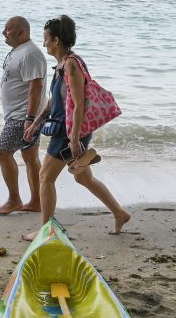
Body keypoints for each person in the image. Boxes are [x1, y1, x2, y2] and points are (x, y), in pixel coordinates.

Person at [24, 15, 130, 238]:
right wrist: (36, 123)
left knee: (45, 177)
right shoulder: (62, 65)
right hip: (69, 130)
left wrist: (73, 139)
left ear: (57, 40)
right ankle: (120, 213)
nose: (44, 44)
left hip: (69, 131)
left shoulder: (71, 65)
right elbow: (55, 99)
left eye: (46, 39)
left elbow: (79, 103)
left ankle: (47, 231)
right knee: (83, 177)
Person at [0, 17, 46, 215]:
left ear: (21, 33)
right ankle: (36, 202)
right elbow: (8, 81)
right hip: (21, 115)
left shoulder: (31, 54)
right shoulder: (17, 52)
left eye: (8, 30)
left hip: (22, 116)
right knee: (30, 156)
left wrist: (30, 118)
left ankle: (14, 200)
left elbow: (36, 86)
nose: (3, 32)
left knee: (2, 153)